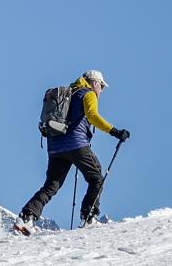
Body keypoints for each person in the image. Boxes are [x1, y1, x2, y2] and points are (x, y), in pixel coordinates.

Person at [15, 70, 130, 233]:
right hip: (76, 145)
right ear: (94, 82)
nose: (102, 90)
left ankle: (26, 217)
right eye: (102, 86)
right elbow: (92, 115)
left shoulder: (69, 93)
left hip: (55, 146)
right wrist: (115, 131)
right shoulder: (88, 93)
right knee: (96, 177)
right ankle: (88, 217)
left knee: (51, 185)